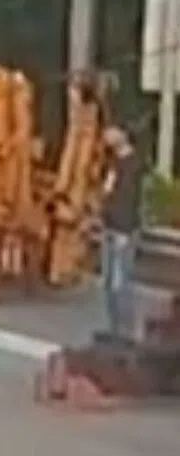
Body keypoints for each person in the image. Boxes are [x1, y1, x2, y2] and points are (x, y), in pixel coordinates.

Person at [99, 126, 142, 339]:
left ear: (123, 134)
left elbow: (129, 199)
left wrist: (123, 231)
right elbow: (108, 191)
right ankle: (115, 328)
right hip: (109, 226)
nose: (106, 135)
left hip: (123, 229)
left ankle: (126, 331)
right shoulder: (113, 162)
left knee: (120, 283)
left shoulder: (132, 164)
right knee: (109, 283)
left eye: (111, 131)